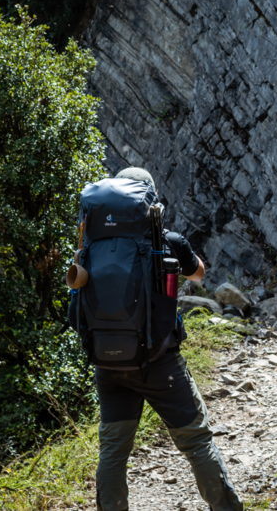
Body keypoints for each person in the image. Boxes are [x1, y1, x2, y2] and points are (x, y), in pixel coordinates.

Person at [80, 167, 243, 511]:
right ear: (148, 201)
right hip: (159, 362)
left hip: (108, 363)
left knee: (113, 449)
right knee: (196, 440)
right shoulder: (169, 242)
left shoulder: (91, 245)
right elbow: (198, 274)